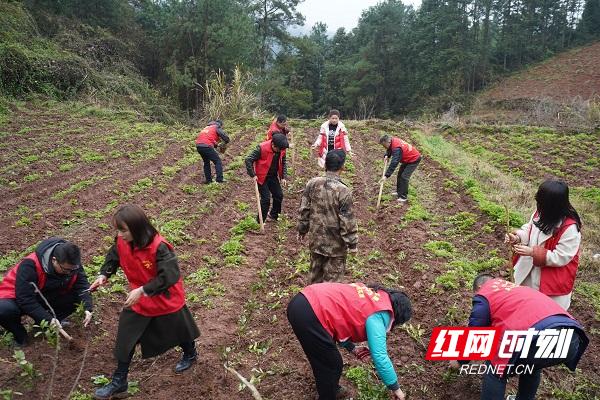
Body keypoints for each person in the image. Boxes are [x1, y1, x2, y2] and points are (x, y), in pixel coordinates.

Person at [89, 205, 200, 399]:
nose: (120, 235)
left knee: (179, 330)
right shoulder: (122, 241)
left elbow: (170, 275)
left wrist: (143, 290)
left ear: (137, 227)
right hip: (139, 299)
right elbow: (114, 256)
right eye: (118, 230)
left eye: (123, 230)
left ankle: (190, 353)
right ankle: (119, 381)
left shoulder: (159, 247)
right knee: (126, 337)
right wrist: (104, 274)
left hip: (165, 297)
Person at [453, 274, 588, 400]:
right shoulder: (517, 290)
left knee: (494, 369)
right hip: (571, 336)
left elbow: (476, 331)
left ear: (478, 288)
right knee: (532, 366)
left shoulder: (486, 292)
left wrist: (461, 360)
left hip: (537, 335)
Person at [287, 282, 412, 400]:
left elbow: (342, 319)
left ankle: (331, 389)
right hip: (310, 313)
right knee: (331, 365)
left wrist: (352, 348)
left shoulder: (375, 297)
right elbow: (380, 356)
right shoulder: (379, 316)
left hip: (304, 300)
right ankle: (328, 395)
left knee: (325, 360)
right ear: (398, 318)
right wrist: (397, 389)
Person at [505, 180, 582, 310]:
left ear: (553, 205)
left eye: (541, 202)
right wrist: (518, 237)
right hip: (528, 271)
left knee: (544, 312)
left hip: (550, 280)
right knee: (524, 305)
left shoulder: (570, 228)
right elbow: (529, 229)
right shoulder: (540, 212)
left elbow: (562, 256)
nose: (538, 205)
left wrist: (533, 253)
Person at [0, 238, 93, 346]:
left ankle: (44, 325)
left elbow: (82, 285)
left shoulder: (72, 265)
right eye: (65, 270)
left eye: (72, 270)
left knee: (75, 297)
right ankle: (21, 336)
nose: (69, 273)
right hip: (17, 297)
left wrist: (87, 307)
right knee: (3, 310)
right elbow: (25, 299)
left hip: (45, 295)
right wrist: (47, 318)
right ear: (54, 260)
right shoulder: (30, 265)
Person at [298, 150, 358, 283]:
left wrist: (302, 229)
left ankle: (312, 302)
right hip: (336, 247)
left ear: (325, 165)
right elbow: (347, 221)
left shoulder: (312, 183)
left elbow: (304, 209)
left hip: (316, 241)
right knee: (332, 285)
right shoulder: (343, 191)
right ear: (342, 167)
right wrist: (352, 244)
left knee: (314, 278)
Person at [245, 132, 289, 222]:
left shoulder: (281, 149)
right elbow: (248, 159)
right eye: (279, 149)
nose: (280, 151)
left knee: (279, 195)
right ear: (273, 144)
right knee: (266, 200)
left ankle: (274, 215)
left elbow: (283, 162)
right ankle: (260, 221)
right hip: (261, 177)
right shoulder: (261, 148)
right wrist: (253, 175)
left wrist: (283, 177)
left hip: (272, 176)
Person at [378, 134, 421, 203]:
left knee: (404, 177)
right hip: (407, 158)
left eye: (384, 145)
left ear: (388, 142)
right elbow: (389, 148)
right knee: (399, 175)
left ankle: (403, 197)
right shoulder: (392, 141)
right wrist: (387, 155)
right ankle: (399, 192)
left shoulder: (397, 148)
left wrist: (386, 176)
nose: (384, 147)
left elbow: (394, 163)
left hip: (413, 159)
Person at [195, 119, 230, 184]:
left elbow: (209, 138)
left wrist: (217, 145)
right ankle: (219, 179)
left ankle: (208, 180)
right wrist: (226, 141)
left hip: (199, 146)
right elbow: (224, 136)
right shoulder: (216, 127)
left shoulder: (207, 128)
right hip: (206, 146)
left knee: (206, 162)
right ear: (220, 124)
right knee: (217, 161)